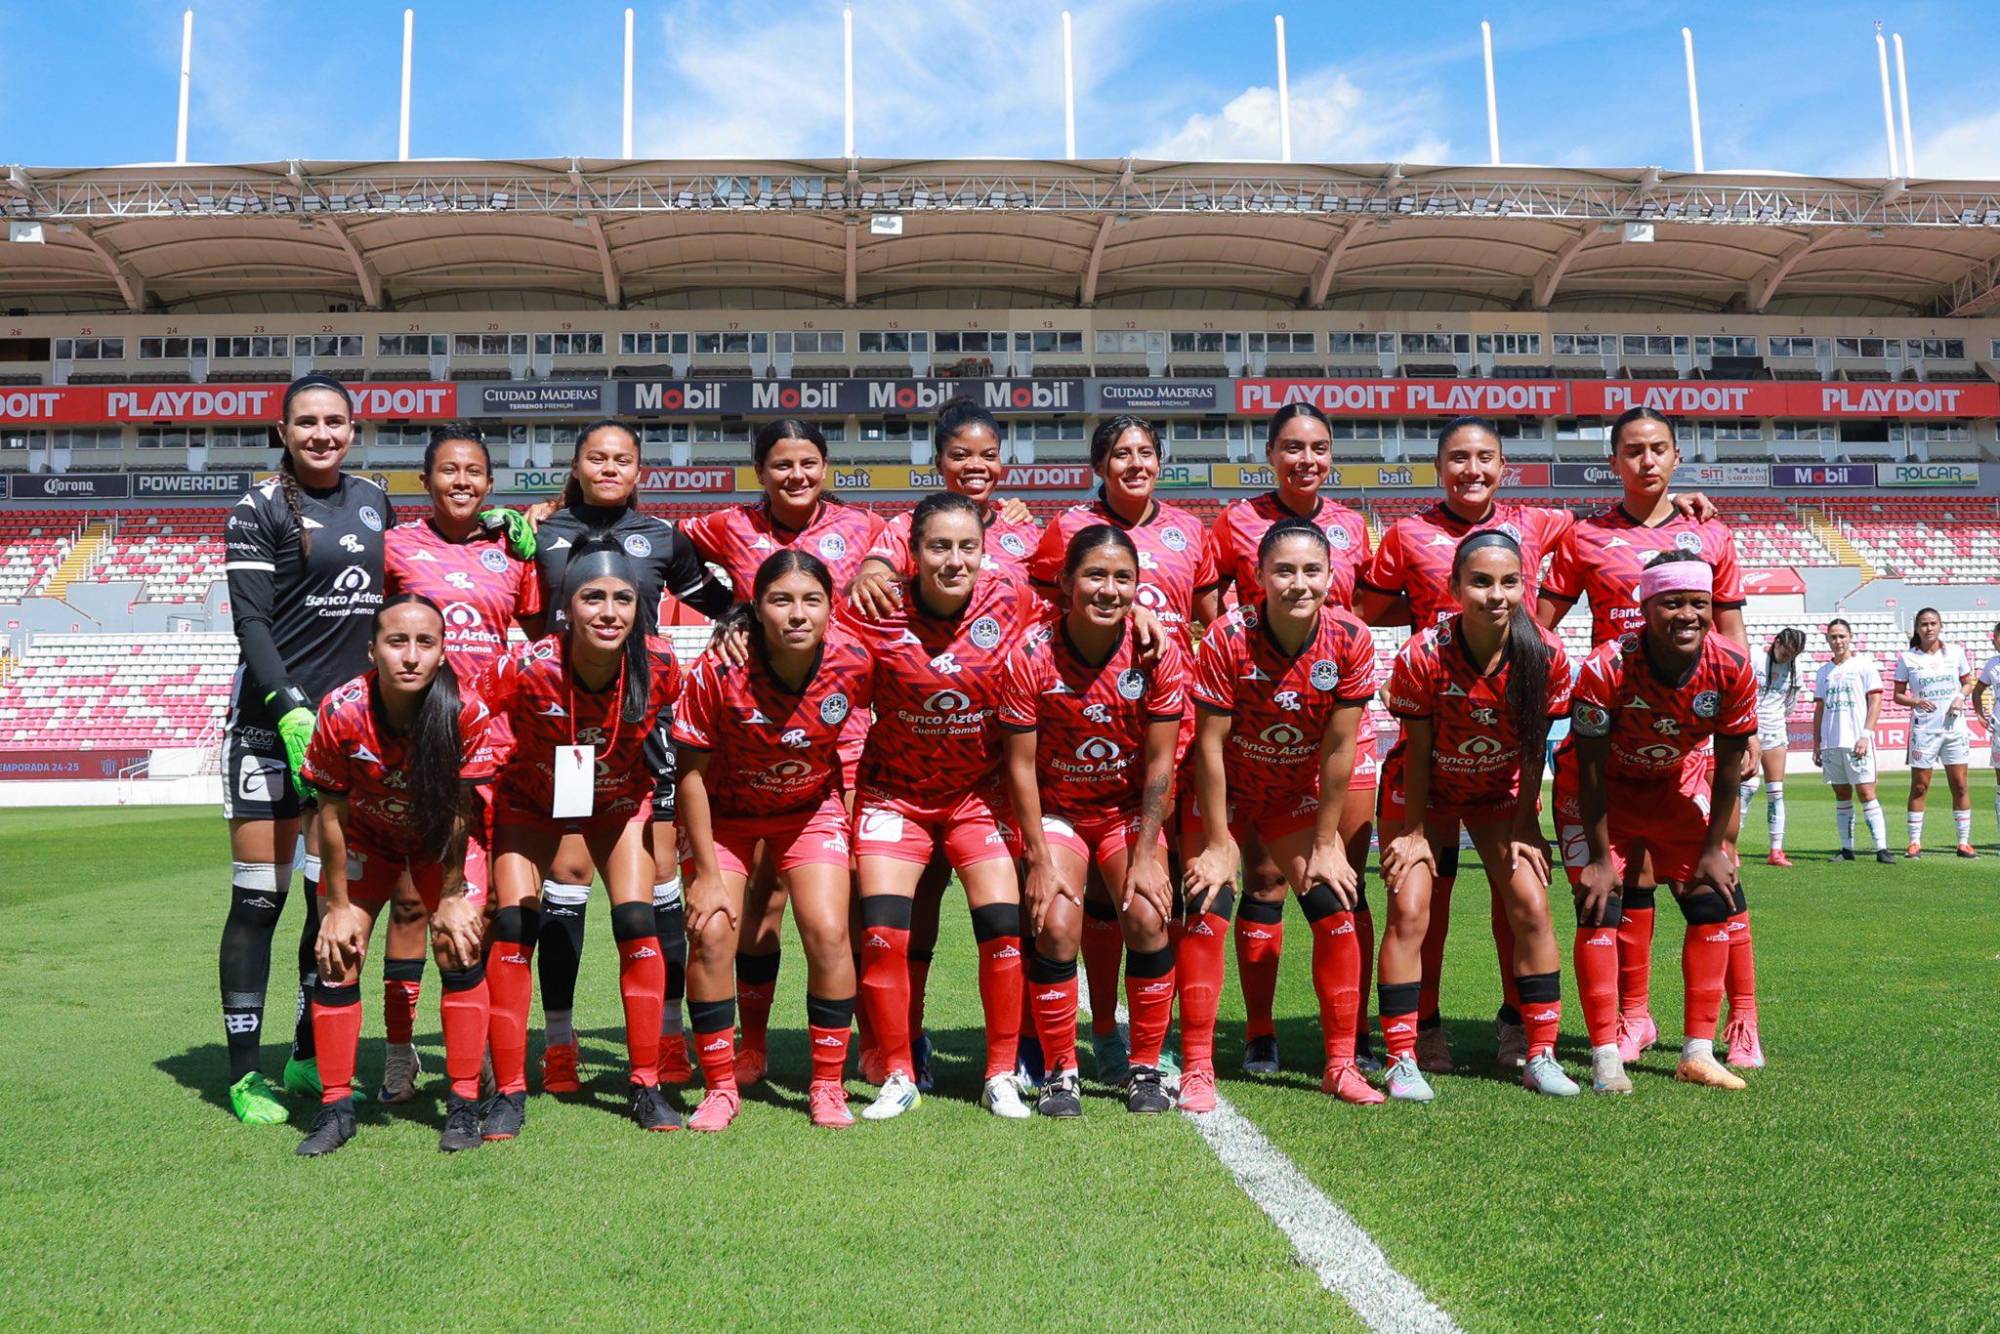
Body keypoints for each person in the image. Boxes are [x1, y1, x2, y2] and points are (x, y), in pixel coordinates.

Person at [1360, 414, 1714, 1075]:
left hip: (1500, 756)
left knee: (1515, 896)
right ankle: (1422, 1030)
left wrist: (1677, 504)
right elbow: (1365, 603)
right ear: (1438, 468)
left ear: (1503, 467)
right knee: (1421, 903)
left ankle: (1518, 1027)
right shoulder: (1407, 534)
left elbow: (1621, 523)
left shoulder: (1545, 523)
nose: (1473, 469)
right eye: (1459, 458)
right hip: (1434, 740)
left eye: (1486, 457)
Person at [1536, 406, 1756, 1070]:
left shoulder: (1710, 534)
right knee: (1625, 881)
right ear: (1613, 462)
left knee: (1716, 875)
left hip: (1691, 736)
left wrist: (1740, 737)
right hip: (1614, 725)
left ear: (1677, 456)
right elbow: (1543, 625)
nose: (1647, 461)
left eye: (1659, 448)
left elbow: (1731, 636)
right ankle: (1633, 1017)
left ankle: (1741, 1019)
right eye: (1633, 450)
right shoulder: (1583, 538)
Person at [520, 420, 733, 1097]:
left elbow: (721, 603)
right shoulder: (542, 533)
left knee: (658, 881)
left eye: (623, 459)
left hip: (645, 719)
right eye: (597, 457)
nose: (610, 467)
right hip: (569, 727)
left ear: (639, 470)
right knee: (569, 882)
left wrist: (760, 617)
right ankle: (559, 1042)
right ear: (576, 464)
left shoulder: (664, 538)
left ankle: (667, 1036)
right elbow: (522, 618)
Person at [678, 419, 885, 1089]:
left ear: (826, 466)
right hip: (758, 720)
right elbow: (661, 547)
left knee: (848, 906)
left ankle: (879, 1045)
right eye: (781, 464)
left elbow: (916, 549)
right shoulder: (729, 525)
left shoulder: (864, 527)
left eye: (808, 462)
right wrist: (728, 612)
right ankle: (753, 1046)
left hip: (841, 729)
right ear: (760, 471)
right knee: (758, 906)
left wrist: (1009, 512)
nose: (795, 474)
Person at [845, 399, 1039, 1090]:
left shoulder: (1023, 537)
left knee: (1009, 919)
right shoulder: (893, 545)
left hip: (983, 786)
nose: (974, 466)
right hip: (899, 785)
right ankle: (900, 1050)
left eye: (986, 454)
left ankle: (1016, 1057)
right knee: (901, 923)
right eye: (961, 454)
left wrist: (1133, 606)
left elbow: (1074, 603)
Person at [217, 374, 392, 1124]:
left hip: (347, 742)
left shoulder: (375, 500)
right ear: (282, 431)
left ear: (354, 430)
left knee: (330, 901)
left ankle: (306, 1052)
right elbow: (252, 627)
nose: (322, 433)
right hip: (269, 730)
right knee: (260, 898)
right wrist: (289, 709)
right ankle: (242, 1074)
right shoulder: (255, 509)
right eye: (307, 423)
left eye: (336, 422)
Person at [1026, 415, 1220, 1083]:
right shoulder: (1065, 530)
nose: (1134, 462)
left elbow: (1210, 618)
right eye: (1120, 453)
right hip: (1085, 732)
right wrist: (1128, 612)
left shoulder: (1192, 532)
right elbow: (1037, 614)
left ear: (1160, 461)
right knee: (1091, 904)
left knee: (1166, 897)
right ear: (1099, 464)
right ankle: (1095, 1031)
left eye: (1145, 451)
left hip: (1171, 730)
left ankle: (1174, 1040)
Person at [476, 539, 685, 1136]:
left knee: (637, 924)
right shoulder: (528, 665)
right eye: (593, 597)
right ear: (568, 605)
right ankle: (510, 1092)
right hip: (532, 802)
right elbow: (464, 715)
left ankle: (646, 1083)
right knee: (514, 925)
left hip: (619, 803)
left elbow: (694, 734)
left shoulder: (661, 663)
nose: (609, 611)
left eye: (623, 598)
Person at [1183, 519, 1384, 1110]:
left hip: (1291, 790)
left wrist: (1326, 842)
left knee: (1336, 905)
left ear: (1331, 575)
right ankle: (1198, 1067)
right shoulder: (1227, 636)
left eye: (1312, 570)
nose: (1299, 583)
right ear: (1260, 578)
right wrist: (1219, 841)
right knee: (1207, 903)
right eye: (1285, 571)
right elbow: (1210, 745)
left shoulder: (1350, 638)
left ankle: (1341, 1065)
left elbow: (1341, 748)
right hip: (1224, 791)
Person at [294, 596, 499, 1154]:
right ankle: (336, 1109)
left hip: (441, 843)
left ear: (441, 653)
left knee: (458, 946)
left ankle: (462, 1105)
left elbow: (464, 810)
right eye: (396, 642)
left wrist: (456, 894)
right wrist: (335, 906)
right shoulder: (340, 710)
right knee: (336, 955)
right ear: (372, 650)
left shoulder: (465, 711)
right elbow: (330, 812)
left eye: (424, 643)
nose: (410, 656)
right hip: (368, 840)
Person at [1377, 531, 1577, 1102]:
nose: (1496, 594)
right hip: (1424, 794)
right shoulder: (1422, 654)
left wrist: (1524, 825)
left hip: (1498, 796)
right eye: (1481, 582)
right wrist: (1414, 833)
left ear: (1524, 585)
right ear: (1455, 588)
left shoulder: (1546, 652)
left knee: (1531, 904)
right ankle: (1403, 1055)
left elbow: (1536, 742)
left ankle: (1539, 1052)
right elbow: (1416, 749)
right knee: (1411, 909)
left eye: (1509, 582)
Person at [374, 422, 542, 1102]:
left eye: (474, 470)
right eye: (449, 470)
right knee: (413, 902)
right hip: (415, 748)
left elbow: (543, 629)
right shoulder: (394, 547)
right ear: (427, 480)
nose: (462, 481)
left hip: (496, 747)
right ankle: (398, 1052)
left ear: (490, 484)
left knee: (498, 905)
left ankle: (500, 1058)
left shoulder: (513, 553)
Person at [999, 524, 1188, 1116]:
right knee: (1055, 924)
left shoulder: (1156, 650)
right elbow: (1020, 767)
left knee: (1152, 915)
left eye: (1123, 578)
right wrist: (1036, 856)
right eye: (1095, 576)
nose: (1109, 590)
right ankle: (1061, 1070)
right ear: (1066, 583)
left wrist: (1150, 852)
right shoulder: (1030, 654)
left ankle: (1146, 1068)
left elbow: (1161, 761)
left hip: (1125, 812)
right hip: (1057, 811)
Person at [1555, 553, 1759, 1094]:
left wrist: (1717, 847)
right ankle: (1604, 1058)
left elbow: (1729, 767)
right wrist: (1599, 860)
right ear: (1645, 608)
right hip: (1598, 797)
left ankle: (1698, 1052)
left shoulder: (1732, 667)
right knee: (1600, 907)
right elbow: (1591, 771)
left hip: (1669, 790)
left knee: (1712, 896)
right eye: (1673, 603)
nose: (1688, 614)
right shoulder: (1607, 667)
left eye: (1699, 603)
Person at [1894, 608, 1976, 859]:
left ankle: (1963, 842)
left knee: (1960, 784)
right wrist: (1915, 702)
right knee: (1920, 786)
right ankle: (1914, 842)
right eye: (1923, 624)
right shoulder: (1908, 658)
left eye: (1932, 623)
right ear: (1917, 629)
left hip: (1954, 728)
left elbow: (1968, 682)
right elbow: (1898, 695)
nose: (1928, 628)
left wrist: (1961, 698)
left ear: (1940, 626)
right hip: (1924, 730)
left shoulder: (1955, 653)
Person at [1813, 619, 1891, 864]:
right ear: (1828, 640)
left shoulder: (1864, 666)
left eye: (1842, 636)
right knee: (1841, 794)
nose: (1838, 641)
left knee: (1867, 792)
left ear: (1850, 637)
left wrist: (1866, 734)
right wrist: (1817, 742)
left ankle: (1882, 848)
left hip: (1857, 739)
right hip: (1832, 743)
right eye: (1833, 637)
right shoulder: (1823, 672)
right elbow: (1819, 709)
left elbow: (1876, 701)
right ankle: (1847, 849)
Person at [1749, 629, 1807, 868]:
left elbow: (1790, 704)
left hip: (1775, 731)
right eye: (1786, 652)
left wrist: (1775, 719)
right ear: (1777, 642)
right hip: (1749, 731)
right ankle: (1729, 849)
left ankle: (1776, 850)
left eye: (1792, 655)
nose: (1787, 658)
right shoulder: (1754, 657)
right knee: (1746, 789)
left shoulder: (1796, 669)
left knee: (1776, 792)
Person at [1969, 623, 2000, 846]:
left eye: (1996, 637)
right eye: (1994, 638)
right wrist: (1980, 715)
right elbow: (1977, 691)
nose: (1994, 641)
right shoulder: (1992, 665)